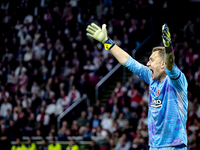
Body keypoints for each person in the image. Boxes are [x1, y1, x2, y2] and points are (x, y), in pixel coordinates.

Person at [86, 23, 188, 149]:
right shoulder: (152, 79)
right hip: (154, 146)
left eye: (151, 60)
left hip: (174, 145)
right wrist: (107, 41)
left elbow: (171, 66)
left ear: (163, 64)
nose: (148, 63)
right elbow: (128, 61)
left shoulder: (177, 82)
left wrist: (168, 48)